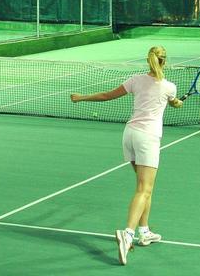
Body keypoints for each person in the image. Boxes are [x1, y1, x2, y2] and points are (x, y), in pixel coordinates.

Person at [70, 46, 183, 266]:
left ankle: (144, 231)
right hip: (147, 138)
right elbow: (169, 98)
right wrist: (175, 101)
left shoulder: (136, 80)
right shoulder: (169, 87)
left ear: (149, 60)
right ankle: (128, 233)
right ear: (164, 62)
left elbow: (107, 95)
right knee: (144, 189)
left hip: (129, 135)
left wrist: (81, 97)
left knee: (144, 187)